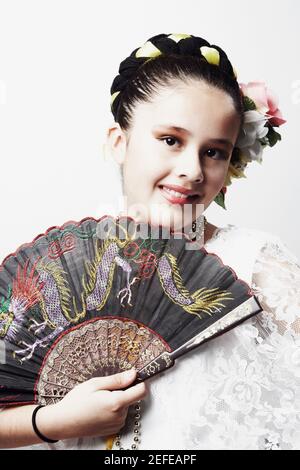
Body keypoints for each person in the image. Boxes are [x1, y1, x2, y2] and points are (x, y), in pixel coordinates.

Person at [0, 32, 299, 450]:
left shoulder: (256, 266)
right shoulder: (56, 272)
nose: (192, 170)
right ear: (119, 142)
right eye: (171, 140)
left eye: (214, 151)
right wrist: (52, 421)